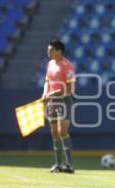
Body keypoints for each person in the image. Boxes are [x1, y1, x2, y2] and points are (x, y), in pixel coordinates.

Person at [42, 40, 75, 173]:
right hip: (52, 101)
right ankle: (58, 164)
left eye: (51, 50)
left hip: (64, 100)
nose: (48, 52)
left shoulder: (68, 66)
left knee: (63, 131)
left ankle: (69, 165)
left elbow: (68, 86)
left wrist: (52, 93)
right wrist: (45, 93)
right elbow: (47, 81)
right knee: (54, 133)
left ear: (58, 51)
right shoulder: (50, 64)